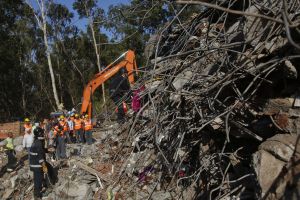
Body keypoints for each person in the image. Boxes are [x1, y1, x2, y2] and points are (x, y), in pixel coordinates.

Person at [29, 128, 48, 199]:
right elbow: (40, 156)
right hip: (37, 165)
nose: (43, 134)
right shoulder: (38, 143)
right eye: (42, 133)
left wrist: (47, 150)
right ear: (40, 134)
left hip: (35, 164)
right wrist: (44, 166)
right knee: (38, 180)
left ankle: (41, 189)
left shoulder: (36, 141)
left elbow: (40, 151)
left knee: (38, 179)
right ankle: (37, 195)